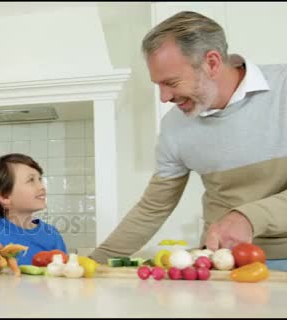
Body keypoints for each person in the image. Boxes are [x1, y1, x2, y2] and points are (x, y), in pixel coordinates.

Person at [89, 11, 287, 271]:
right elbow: (153, 207)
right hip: (218, 263)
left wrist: (248, 217)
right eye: (158, 85)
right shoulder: (175, 126)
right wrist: (94, 262)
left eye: (171, 82)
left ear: (212, 63)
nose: (163, 97)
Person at [0, 153, 67, 265]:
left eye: (40, 179)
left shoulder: (52, 235)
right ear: (5, 196)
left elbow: (62, 275)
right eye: (31, 180)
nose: (42, 186)